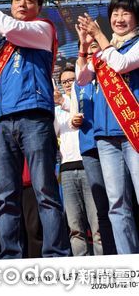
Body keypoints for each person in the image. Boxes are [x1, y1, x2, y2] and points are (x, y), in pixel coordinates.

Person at [0, 0, 70, 258]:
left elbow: (12, 29)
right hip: (0, 123)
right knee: (6, 195)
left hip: (34, 116)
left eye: (29, 1)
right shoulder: (0, 45)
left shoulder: (42, 29)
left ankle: (56, 253)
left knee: (45, 190)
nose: (23, 4)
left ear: (38, 7)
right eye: (17, 0)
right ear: (10, 6)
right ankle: (9, 255)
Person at [76, 0, 139, 254]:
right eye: (115, 13)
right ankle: (129, 261)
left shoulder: (133, 45)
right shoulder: (104, 49)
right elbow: (81, 78)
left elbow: (122, 64)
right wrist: (83, 45)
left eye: (125, 13)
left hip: (133, 130)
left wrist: (100, 38)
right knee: (116, 203)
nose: (119, 18)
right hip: (105, 136)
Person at [70, 41, 116, 255]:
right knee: (101, 208)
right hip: (89, 148)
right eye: (86, 52)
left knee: (121, 202)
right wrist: (74, 120)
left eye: (94, 49)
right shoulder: (80, 82)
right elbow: (72, 115)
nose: (90, 55)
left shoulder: (113, 72)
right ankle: (109, 257)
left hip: (114, 142)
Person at [55, 64, 102, 256]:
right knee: (75, 227)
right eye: (64, 81)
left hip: (88, 165)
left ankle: (103, 265)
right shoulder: (56, 108)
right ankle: (80, 268)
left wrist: (64, 101)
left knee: (97, 224)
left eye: (71, 80)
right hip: (66, 170)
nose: (67, 84)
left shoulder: (87, 100)